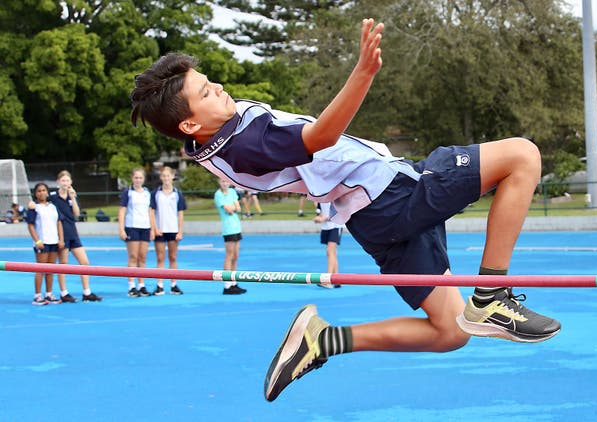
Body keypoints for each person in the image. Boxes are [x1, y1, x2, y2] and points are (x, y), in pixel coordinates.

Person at [130, 18, 561, 402]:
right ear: (189, 123)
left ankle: (323, 340)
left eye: (210, 80)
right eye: (206, 91)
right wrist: (362, 74)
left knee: (450, 331)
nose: (219, 87)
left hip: (373, 215)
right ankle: (491, 295)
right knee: (522, 156)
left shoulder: (213, 138)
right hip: (390, 195)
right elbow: (319, 137)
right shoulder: (241, 144)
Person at [49, 170, 103, 302]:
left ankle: (86, 292)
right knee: (63, 264)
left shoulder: (72, 196)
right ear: (58, 182)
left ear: (71, 182)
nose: (65, 183)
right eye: (63, 181)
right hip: (61, 234)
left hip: (73, 233)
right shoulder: (53, 197)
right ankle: (64, 293)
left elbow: (77, 215)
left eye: (67, 181)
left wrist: (72, 197)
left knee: (84, 262)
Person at [149, 166, 187, 295]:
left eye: (168, 176)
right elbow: (151, 211)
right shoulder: (156, 193)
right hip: (160, 229)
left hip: (173, 229)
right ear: (161, 177)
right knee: (160, 258)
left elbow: (180, 213)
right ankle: (159, 285)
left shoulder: (177, 194)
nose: (166, 178)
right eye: (163, 176)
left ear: (172, 176)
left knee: (173, 257)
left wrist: (180, 231)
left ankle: (173, 284)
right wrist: (154, 228)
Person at [26, 183, 65, 305]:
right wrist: (37, 241)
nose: (42, 193)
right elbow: (30, 225)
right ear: (35, 193)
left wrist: (61, 239)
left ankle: (49, 293)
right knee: (40, 268)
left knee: (51, 268)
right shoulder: (34, 208)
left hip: (53, 241)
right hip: (42, 242)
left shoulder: (53, 207)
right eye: (39, 191)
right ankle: (37, 295)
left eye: (44, 190)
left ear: (47, 192)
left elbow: (59, 222)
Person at [118, 167, 153, 297]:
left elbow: (150, 211)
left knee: (142, 257)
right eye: (136, 177)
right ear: (132, 178)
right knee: (133, 256)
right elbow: (122, 211)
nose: (138, 180)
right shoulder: (128, 192)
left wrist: (152, 229)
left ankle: (141, 285)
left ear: (143, 179)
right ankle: (131, 285)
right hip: (132, 226)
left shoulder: (147, 193)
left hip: (145, 227)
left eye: (140, 178)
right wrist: (121, 229)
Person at [214, 178, 247, 295]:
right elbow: (228, 209)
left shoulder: (232, 192)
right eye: (222, 181)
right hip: (228, 229)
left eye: (226, 181)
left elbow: (238, 208)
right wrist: (233, 207)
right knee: (229, 255)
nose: (225, 183)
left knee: (236, 256)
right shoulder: (218, 195)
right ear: (219, 182)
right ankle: (227, 284)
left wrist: (234, 207)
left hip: (236, 227)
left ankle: (233, 281)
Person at [313, 202, 343, 288]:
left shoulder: (332, 193)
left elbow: (337, 212)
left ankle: (327, 280)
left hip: (335, 225)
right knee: (332, 252)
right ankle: (337, 279)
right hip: (326, 226)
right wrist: (318, 217)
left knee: (330, 251)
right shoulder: (319, 195)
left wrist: (323, 219)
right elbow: (320, 209)